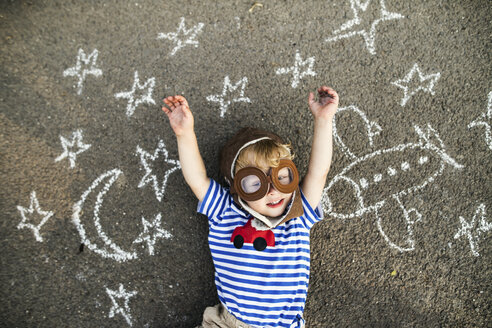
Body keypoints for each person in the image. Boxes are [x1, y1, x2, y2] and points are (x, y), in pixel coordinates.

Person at [162, 86, 338, 328]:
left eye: (282, 177)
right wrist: (184, 134)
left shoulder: (297, 214)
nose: (272, 190)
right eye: (255, 183)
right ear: (236, 188)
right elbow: (197, 178)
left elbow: (319, 172)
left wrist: (324, 119)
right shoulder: (225, 210)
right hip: (229, 322)